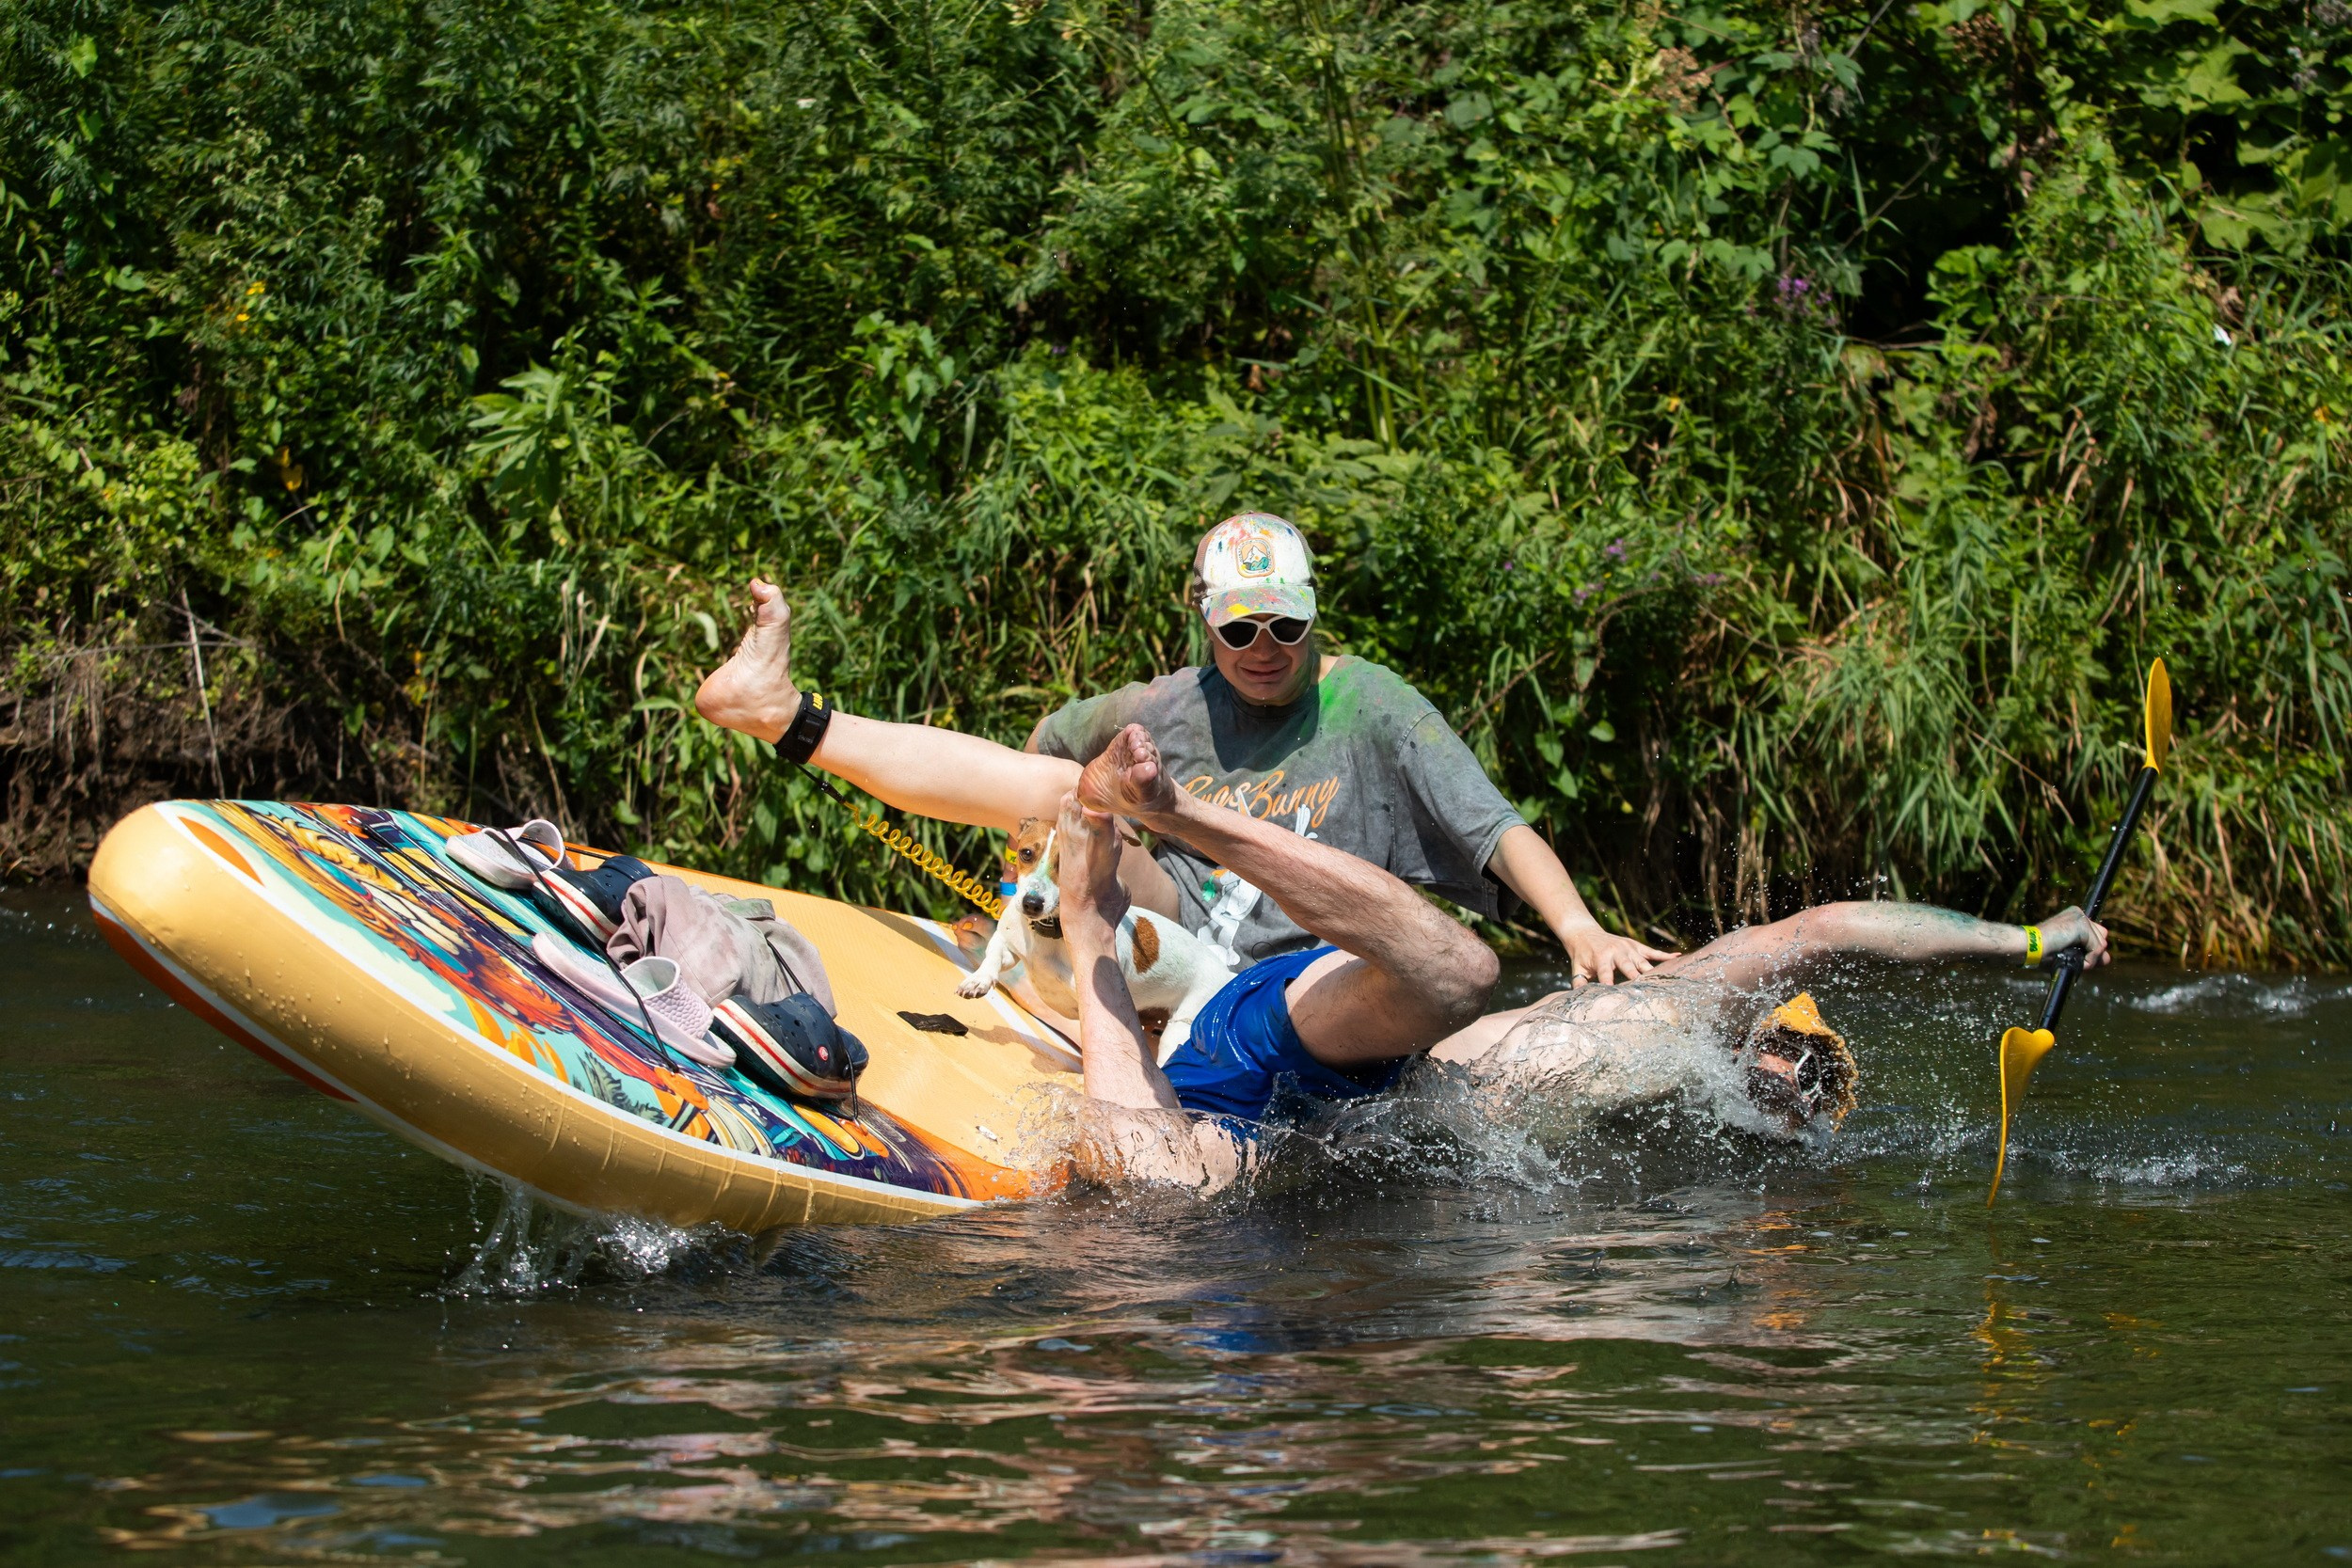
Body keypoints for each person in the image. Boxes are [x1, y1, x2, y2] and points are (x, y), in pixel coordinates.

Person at [1049, 724, 2113, 1185]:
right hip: (1346, 1040)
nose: (1790, 1075)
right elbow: (1826, 928)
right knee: (1458, 974)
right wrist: (2023, 938)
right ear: (1759, 1023)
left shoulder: (1726, 1168)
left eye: (1815, 1079)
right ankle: (1130, 868)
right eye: (1796, 1047)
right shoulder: (1672, 1018)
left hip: (1319, 1135)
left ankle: (1112, 939)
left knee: (1166, 1204)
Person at [692, 511, 1672, 984]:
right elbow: (1037, 750)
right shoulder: (1163, 703)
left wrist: (1578, 928)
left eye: (1284, 627)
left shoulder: (1374, 705)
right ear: (1204, 623)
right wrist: (1018, 883)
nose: (1263, 651)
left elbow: (1495, 828)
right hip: (1182, 935)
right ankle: (785, 714)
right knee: (1062, 787)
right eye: (1238, 630)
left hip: (1323, 975)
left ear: (1312, 620)